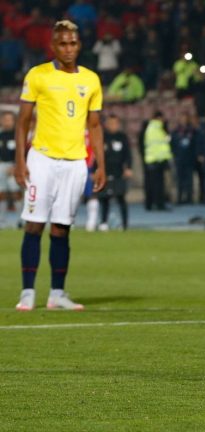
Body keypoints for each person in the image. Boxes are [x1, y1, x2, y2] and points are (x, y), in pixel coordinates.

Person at [13, 20, 105, 311]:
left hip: (76, 162)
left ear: (79, 45)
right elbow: (23, 121)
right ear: (53, 46)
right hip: (41, 159)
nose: (68, 48)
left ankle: (57, 294)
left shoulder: (91, 79)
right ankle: (27, 292)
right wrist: (19, 161)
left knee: (62, 228)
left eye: (73, 43)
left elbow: (95, 124)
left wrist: (100, 164)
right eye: (62, 43)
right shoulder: (38, 75)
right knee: (35, 224)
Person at [97, 114, 132, 230]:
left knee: (121, 198)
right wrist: (96, 169)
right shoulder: (102, 137)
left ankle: (125, 224)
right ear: (106, 124)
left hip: (119, 172)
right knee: (104, 198)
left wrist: (128, 168)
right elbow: (97, 155)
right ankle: (103, 223)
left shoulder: (122, 137)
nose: (113, 125)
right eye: (110, 123)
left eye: (115, 123)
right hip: (106, 172)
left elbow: (128, 154)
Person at [142, 111, 171, 211]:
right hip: (157, 160)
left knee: (151, 184)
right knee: (158, 185)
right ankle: (159, 204)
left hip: (151, 160)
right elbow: (162, 145)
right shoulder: (157, 128)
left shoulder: (149, 128)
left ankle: (150, 204)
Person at [0, 111, 21, 221]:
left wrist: (15, 166)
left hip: (14, 166)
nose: (7, 122)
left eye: (9, 120)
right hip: (1, 166)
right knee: (1, 194)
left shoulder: (17, 135)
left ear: (14, 121)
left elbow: (22, 153)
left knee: (16, 193)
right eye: (5, 119)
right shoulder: (0, 134)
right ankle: (1, 220)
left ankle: (20, 221)